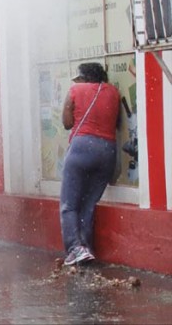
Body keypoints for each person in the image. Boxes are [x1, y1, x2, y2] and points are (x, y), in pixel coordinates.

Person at [59, 62, 120, 266]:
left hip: (81, 148)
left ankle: (75, 248)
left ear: (84, 79)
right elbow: (116, 121)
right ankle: (86, 248)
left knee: (69, 205)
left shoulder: (76, 90)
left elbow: (67, 123)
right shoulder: (113, 92)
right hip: (107, 150)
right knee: (88, 204)